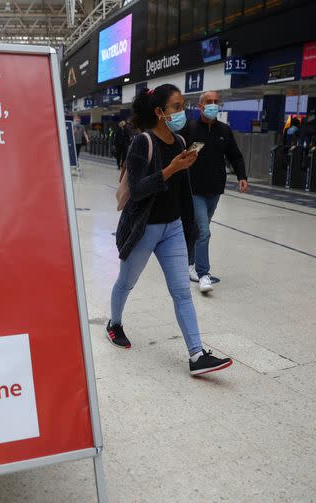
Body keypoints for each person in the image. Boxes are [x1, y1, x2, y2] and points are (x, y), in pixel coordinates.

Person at [107, 84, 232, 376]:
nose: (182, 112)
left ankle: (197, 354)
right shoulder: (141, 143)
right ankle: (114, 323)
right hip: (144, 228)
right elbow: (137, 191)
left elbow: (182, 192)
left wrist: (188, 229)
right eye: (176, 107)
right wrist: (170, 169)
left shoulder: (178, 141)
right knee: (126, 281)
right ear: (159, 112)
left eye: (183, 106)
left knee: (181, 292)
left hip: (173, 228)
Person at [180, 91, 248, 293]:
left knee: (199, 229)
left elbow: (235, 156)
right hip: (194, 189)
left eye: (216, 102)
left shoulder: (224, 131)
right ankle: (203, 274)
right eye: (209, 102)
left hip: (215, 190)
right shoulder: (190, 128)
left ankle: (189, 262)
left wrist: (242, 176)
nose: (213, 105)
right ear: (200, 106)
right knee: (204, 231)